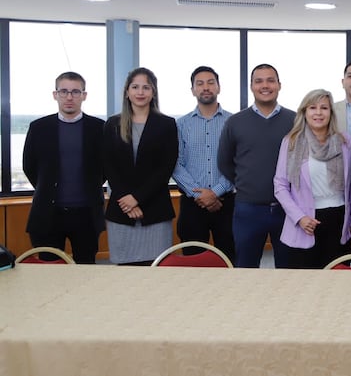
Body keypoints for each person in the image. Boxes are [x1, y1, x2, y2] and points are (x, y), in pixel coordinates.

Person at [22, 71, 106, 263]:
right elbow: (29, 166)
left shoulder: (99, 128)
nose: (69, 97)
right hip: (49, 213)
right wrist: (49, 187)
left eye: (76, 92)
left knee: (86, 270)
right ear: (55, 94)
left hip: (86, 213)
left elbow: (105, 168)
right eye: (64, 91)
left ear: (84, 96)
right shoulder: (39, 127)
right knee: (50, 271)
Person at [218, 63, 296, 268]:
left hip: (287, 210)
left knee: (289, 271)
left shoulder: (296, 120)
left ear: (279, 85)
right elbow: (224, 162)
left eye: (271, 80)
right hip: (248, 209)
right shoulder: (235, 122)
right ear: (251, 86)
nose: (265, 85)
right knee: (245, 268)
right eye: (259, 81)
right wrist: (247, 184)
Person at [274, 89, 351, 269]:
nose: (319, 113)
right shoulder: (291, 141)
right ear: (304, 112)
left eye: (324, 108)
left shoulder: (344, 141)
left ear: (331, 113)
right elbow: (280, 185)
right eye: (313, 108)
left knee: (336, 282)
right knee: (304, 284)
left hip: (339, 220)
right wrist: (300, 218)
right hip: (304, 222)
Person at [103, 67, 178, 265]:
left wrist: (137, 198)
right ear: (127, 92)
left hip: (155, 211)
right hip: (121, 210)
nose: (140, 92)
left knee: (157, 271)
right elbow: (108, 165)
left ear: (153, 92)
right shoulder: (113, 124)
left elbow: (166, 167)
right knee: (125, 274)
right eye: (135, 87)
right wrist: (126, 199)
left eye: (146, 87)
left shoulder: (167, 124)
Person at [173, 66, 235, 263]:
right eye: (199, 84)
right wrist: (200, 194)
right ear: (193, 90)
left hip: (227, 204)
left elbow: (238, 162)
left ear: (218, 87)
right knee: (193, 263)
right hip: (192, 205)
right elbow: (176, 164)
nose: (205, 87)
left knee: (230, 260)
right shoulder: (181, 124)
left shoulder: (234, 122)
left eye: (210, 82)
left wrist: (216, 191)